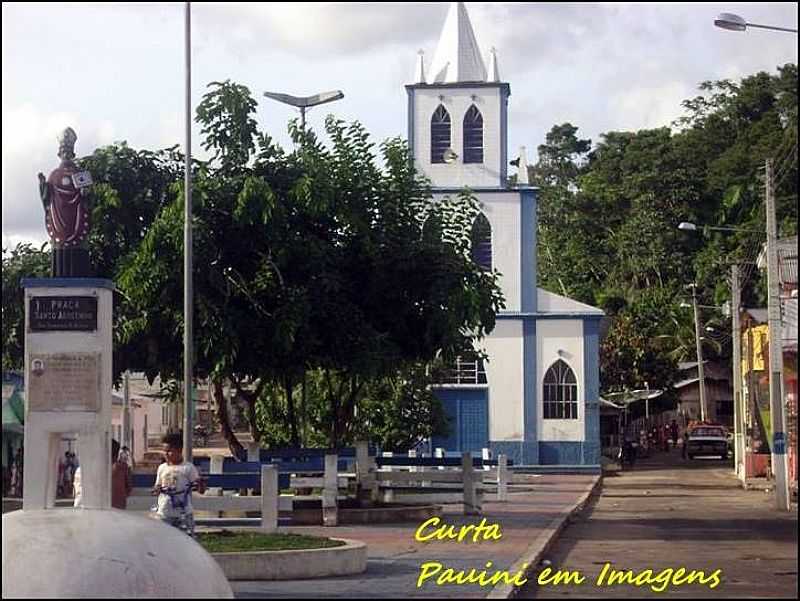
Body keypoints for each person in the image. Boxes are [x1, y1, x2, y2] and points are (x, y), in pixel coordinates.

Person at [151, 433, 205, 536]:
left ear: (179, 450)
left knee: (186, 541)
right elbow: (157, 486)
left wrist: (200, 483)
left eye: (169, 451)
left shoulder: (188, 468)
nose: (166, 454)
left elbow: (200, 490)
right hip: (164, 513)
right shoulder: (162, 468)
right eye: (164, 451)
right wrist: (157, 490)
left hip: (183, 514)